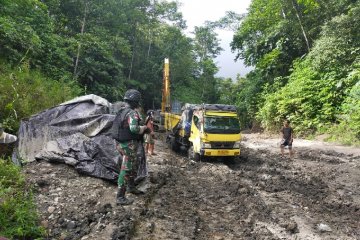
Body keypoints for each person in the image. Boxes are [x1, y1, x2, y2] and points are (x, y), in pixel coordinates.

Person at [112, 89, 150, 205]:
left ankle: (131, 186)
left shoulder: (121, 111)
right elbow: (134, 129)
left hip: (120, 143)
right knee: (127, 168)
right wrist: (143, 128)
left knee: (132, 165)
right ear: (136, 101)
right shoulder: (132, 113)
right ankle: (120, 197)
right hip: (128, 145)